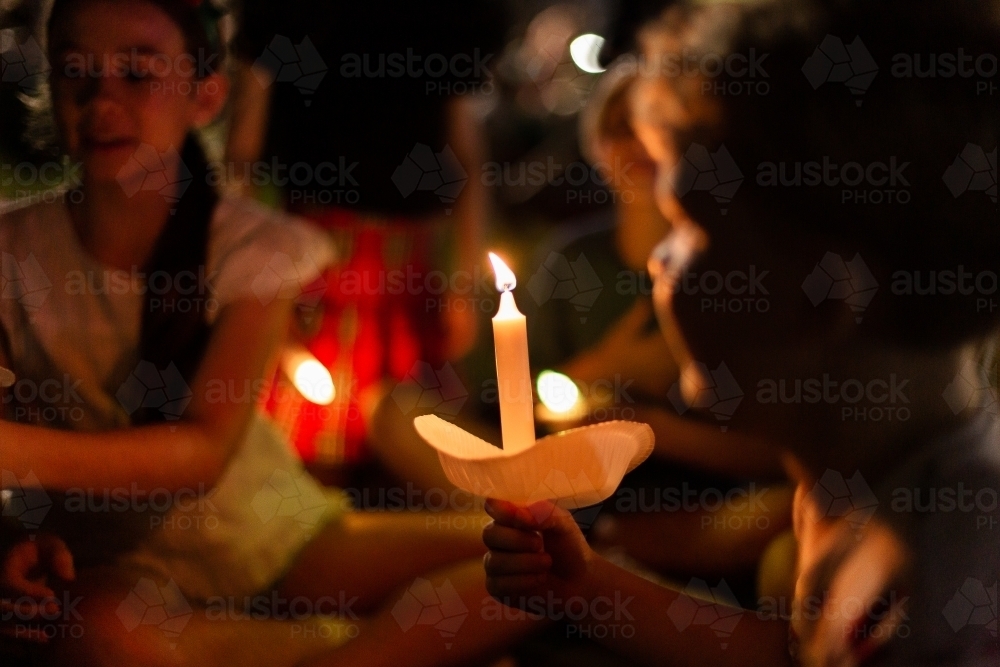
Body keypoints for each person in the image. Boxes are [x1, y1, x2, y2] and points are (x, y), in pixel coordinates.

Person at [0, 1, 540, 665]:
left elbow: (202, 451)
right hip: (112, 556)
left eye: (137, 73)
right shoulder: (11, 249)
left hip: (272, 529)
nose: (101, 95)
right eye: (75, 69)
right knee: (91, 629)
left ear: (205, 95)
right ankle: (367, 650)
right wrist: (7, 538)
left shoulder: (251, 248)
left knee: (537, 559)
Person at [483, 1, 1000, 666]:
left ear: (823, 295)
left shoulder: (942, 593)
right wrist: (585, 586)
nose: (656, 260)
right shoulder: (870, 476)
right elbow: (790, 654)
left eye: (689, 227)